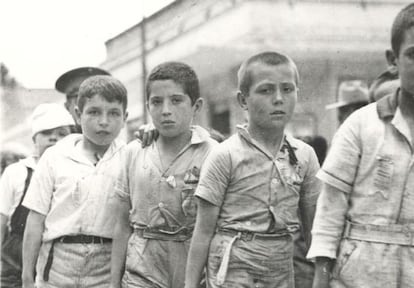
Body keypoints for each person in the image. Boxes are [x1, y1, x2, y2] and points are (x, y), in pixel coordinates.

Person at [185, 51, 321, 288]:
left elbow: (313, 231)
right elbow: (203, 231)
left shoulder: (304, 155)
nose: (278, 99)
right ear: (243, 100)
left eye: (287, 89)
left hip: (280, 267)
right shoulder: (225, 155)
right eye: (266, 90)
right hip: (232, 267)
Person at [308, 4, 414, 287]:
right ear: (393, 60)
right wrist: (322, 278)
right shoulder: (361, 125)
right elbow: (330, 210)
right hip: (360, 270)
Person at [110, 62, 217, 288]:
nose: (166, 110)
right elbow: (121, 224)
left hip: (193, 264)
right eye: (157, 102)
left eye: (176, 100)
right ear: (148, 106)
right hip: (142, 263)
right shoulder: (134, 152)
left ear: (196, 106)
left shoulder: (213, 153)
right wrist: (113, 283)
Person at [21, 75, 128, 288]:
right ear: (78, 115)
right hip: (59, 262)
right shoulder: (55, 156)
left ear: (125, 117)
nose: (104, 121)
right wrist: (26, 277)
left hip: (107, 263)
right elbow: (35, 220)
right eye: (94, 112)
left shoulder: (130, 157)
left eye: (114, 113)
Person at [0, 103, 74, 288]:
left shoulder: (74, 173)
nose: (53, 139)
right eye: (47, 133)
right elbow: (1, 220)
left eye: (61, 134)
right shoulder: (16, 172)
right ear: (34, 138)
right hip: (14, 263)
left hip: (57, 262)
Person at [55, 66, 110, 132]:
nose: (89, 105)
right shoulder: (60, 141)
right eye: (80, 99)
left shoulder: (119, 142)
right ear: (67, 107)